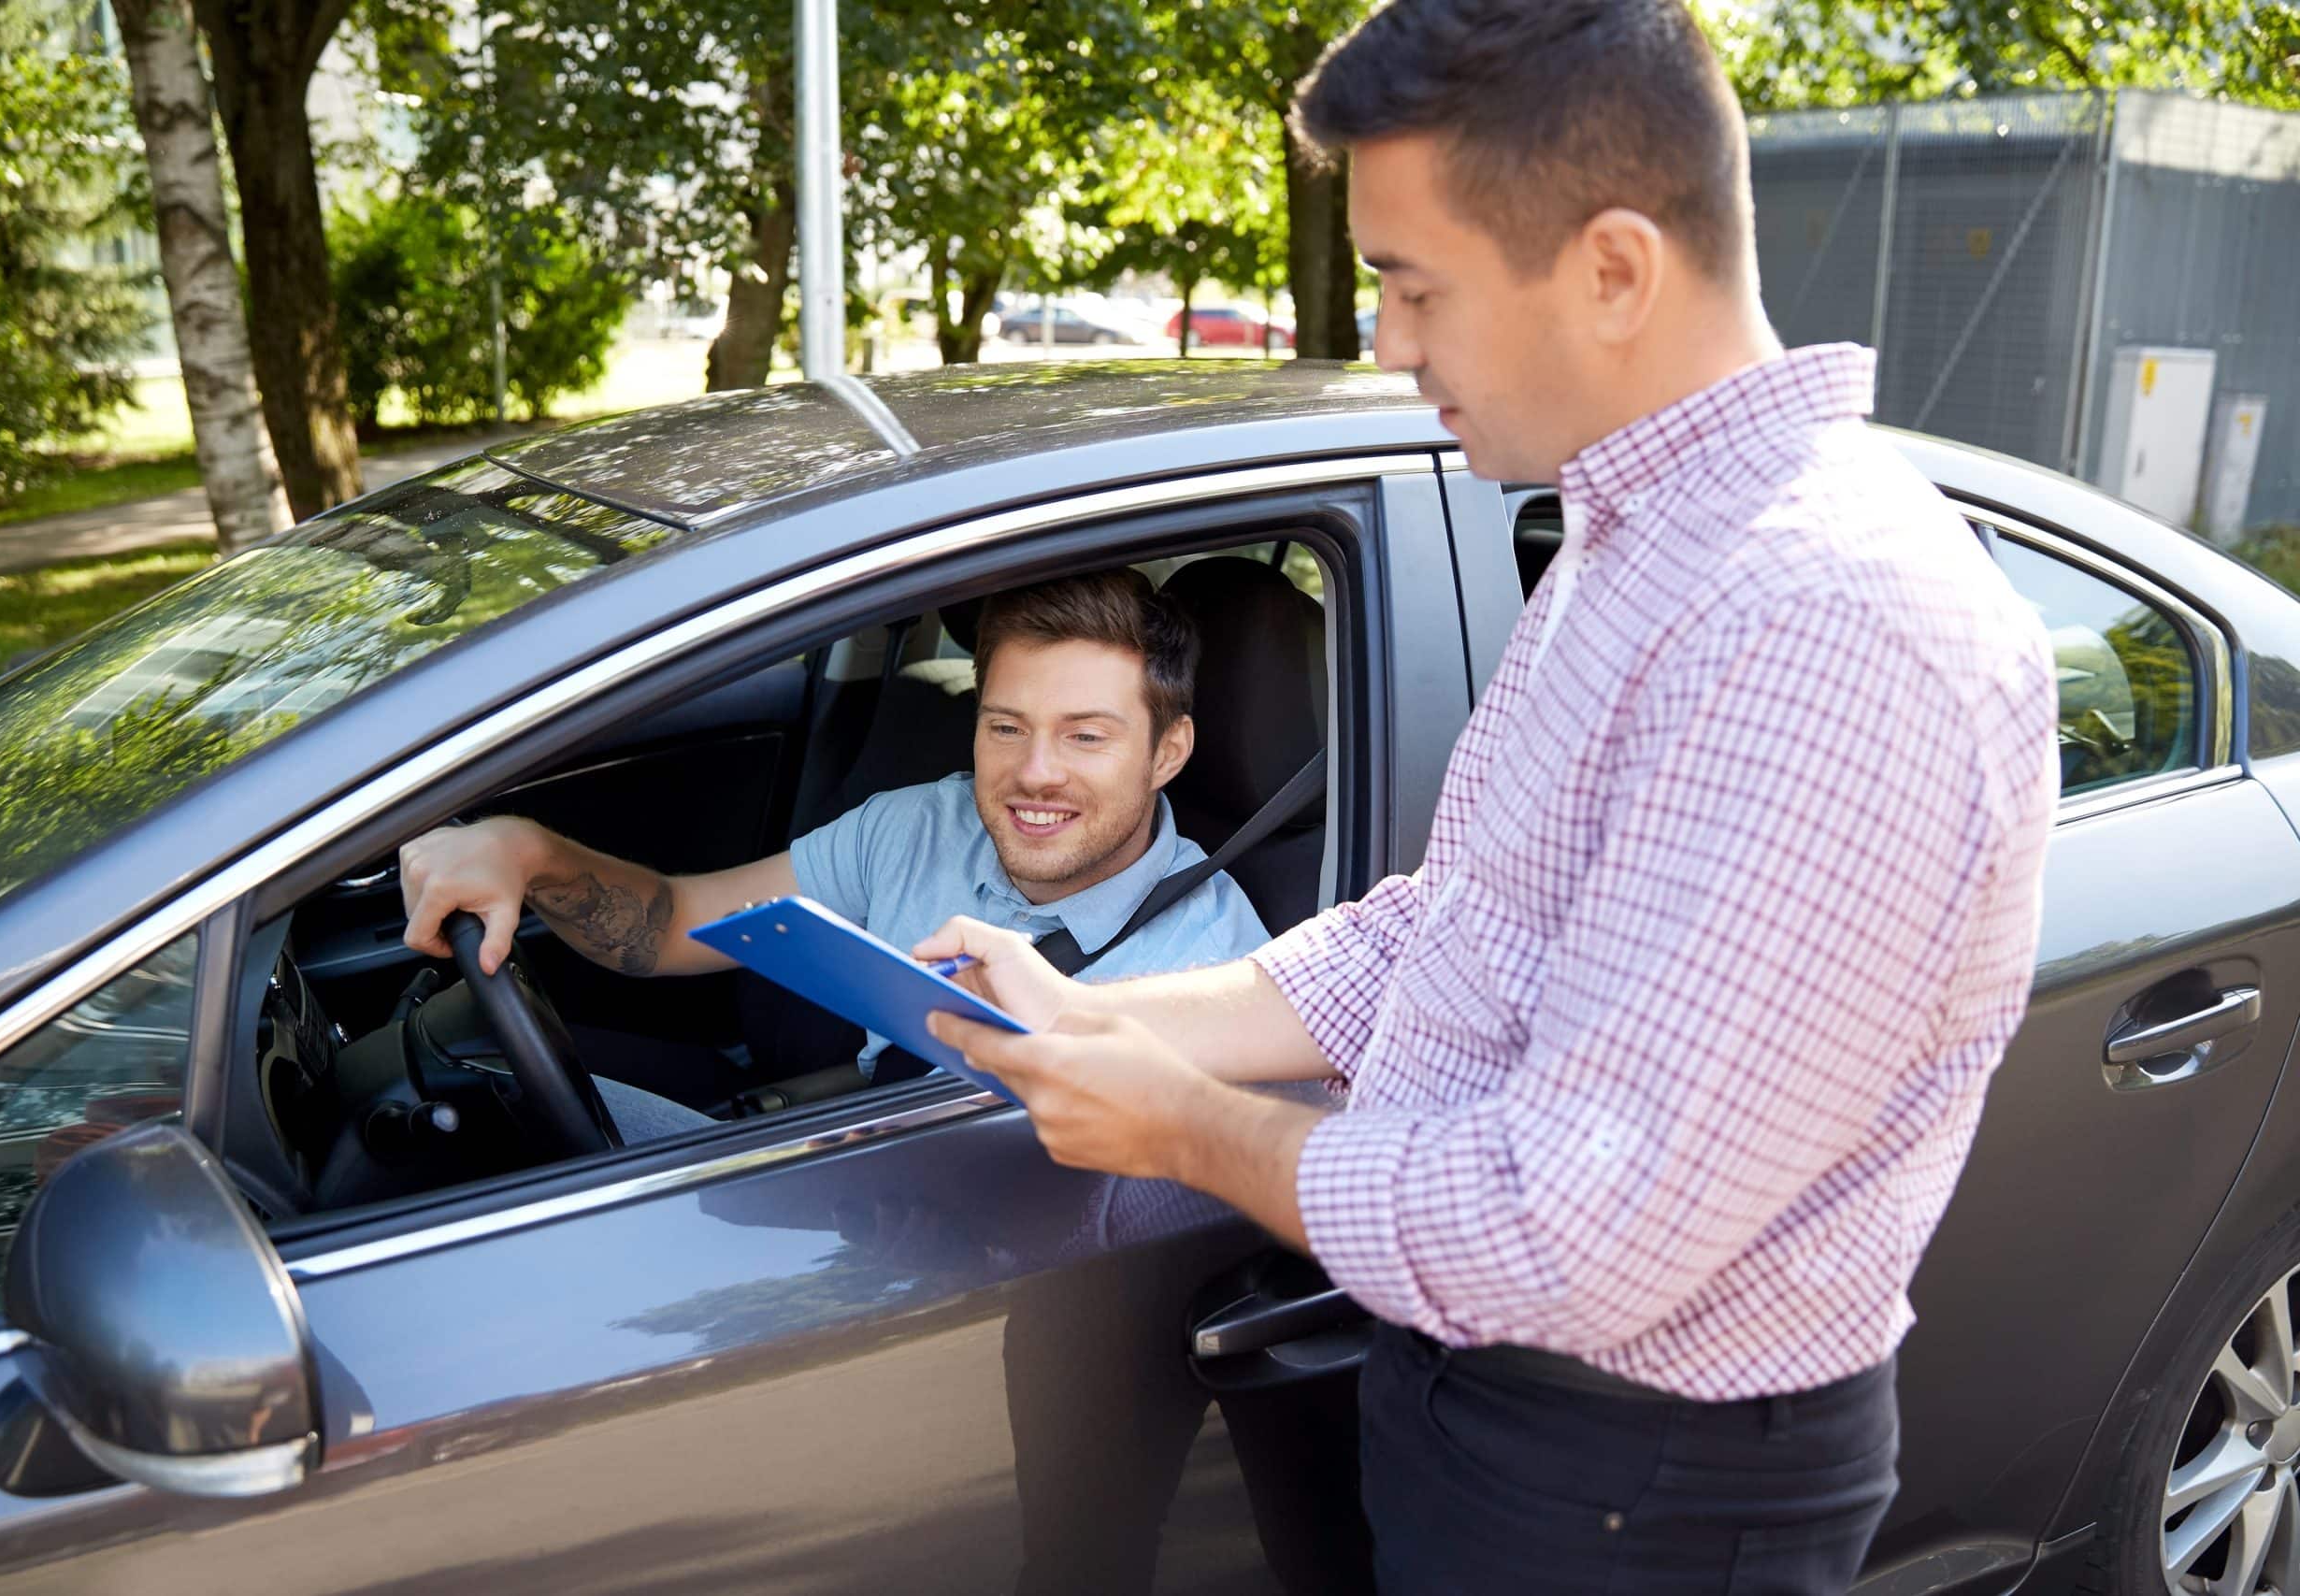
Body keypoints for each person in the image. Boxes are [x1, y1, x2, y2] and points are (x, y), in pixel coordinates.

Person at [916, 3, 2062, 1591]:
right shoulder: (1628, 532)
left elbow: (1570, 1228)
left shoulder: (1823, 624)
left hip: (1635, 1475)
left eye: (1412, 284)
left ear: (1610, 271)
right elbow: (1455, 935)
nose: (1386, 340)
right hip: (1500, 1409)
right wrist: (1110, 1021)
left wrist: (1178, 1125)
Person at [398, 568, 1270, 1138]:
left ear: (1168, 752)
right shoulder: (917, 824)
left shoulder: (1218, 970)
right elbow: (672, 924)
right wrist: (529, 852)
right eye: (1005, 726)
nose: (1033, 773)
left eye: (1085, 736)